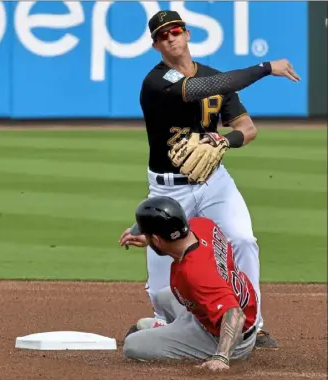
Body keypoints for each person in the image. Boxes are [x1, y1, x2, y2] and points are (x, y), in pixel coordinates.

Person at [121, 9, 300, 349]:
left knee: (243, 240)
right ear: (155, 45)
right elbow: (207, 86)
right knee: (161, 275)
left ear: (187, 34)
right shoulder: (157, 83)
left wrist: (224, 140)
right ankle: (167, 321)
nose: (170, 38)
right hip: (168, 188)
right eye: (162, 35)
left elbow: (247, 129)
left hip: (214, 181)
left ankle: (253, 323)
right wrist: (265, 68)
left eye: (175, 31)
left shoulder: (218, 79)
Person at [122, 196, 260, 372]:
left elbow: (235, 314)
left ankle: (182, 335)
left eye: (148, 236)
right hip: (224, 307)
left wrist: (221, 357)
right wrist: (149, 239)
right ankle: (175, 329)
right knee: (164, 296)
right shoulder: (202, 225)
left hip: (230, 337)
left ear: (157, 240)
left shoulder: (196, 273)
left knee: (133, 345)